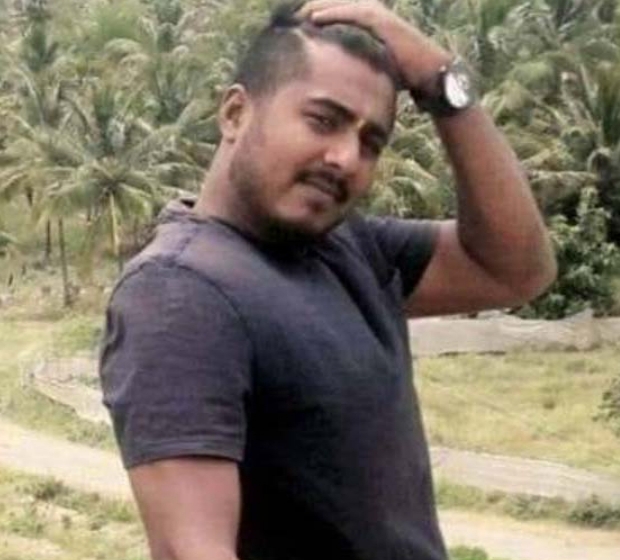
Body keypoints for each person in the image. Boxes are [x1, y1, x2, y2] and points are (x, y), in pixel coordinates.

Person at [99, 2, 557, 559]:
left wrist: (442, 83)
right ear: (235, 114)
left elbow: (516, 269)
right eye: (323, 120)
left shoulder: (352, 249)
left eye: (371, 143)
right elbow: (191, 551)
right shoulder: (181, 291)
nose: (345, 157)